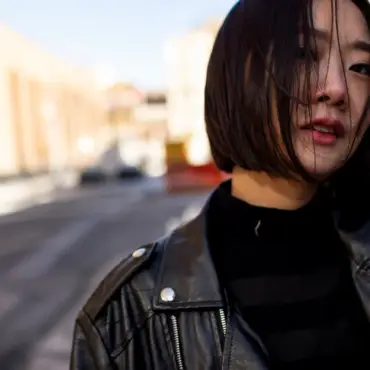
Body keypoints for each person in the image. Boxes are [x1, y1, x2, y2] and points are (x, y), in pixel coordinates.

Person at [70, 0, 370, 368]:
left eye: (361, 67)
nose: (337, 88)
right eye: (305, 52)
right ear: (239, 74)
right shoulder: (131, 315)